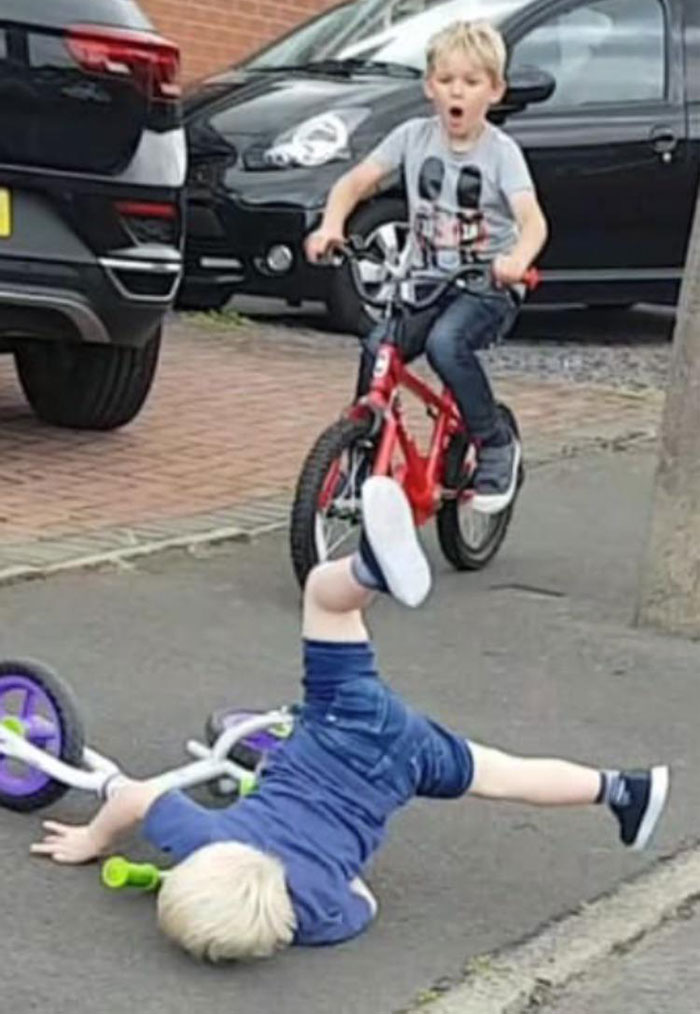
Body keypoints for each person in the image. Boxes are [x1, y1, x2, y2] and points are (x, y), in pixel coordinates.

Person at [31, 477, 669, 963]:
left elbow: (366, 900)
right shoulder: (200, 837)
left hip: (402, 762)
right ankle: (365, 570)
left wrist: (333, 877)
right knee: (324, 604)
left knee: (503, 777)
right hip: (344, 721)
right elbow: (137, 797)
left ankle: (623, 789)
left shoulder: (318, 913)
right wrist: (94, 840)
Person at [306, 19, 548, 514]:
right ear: (429, 86)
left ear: (494, 90)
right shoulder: (412, 137)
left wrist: (516, 260)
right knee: (378, 346)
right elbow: (353, 184)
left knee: (446, 344)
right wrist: (331, 225)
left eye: (471, 81)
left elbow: (532, 221)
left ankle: (494, 442)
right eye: (446, 80)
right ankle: (359, 463)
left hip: (486, 286)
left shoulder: (502, 154)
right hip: (426, 281)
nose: (457, 91)